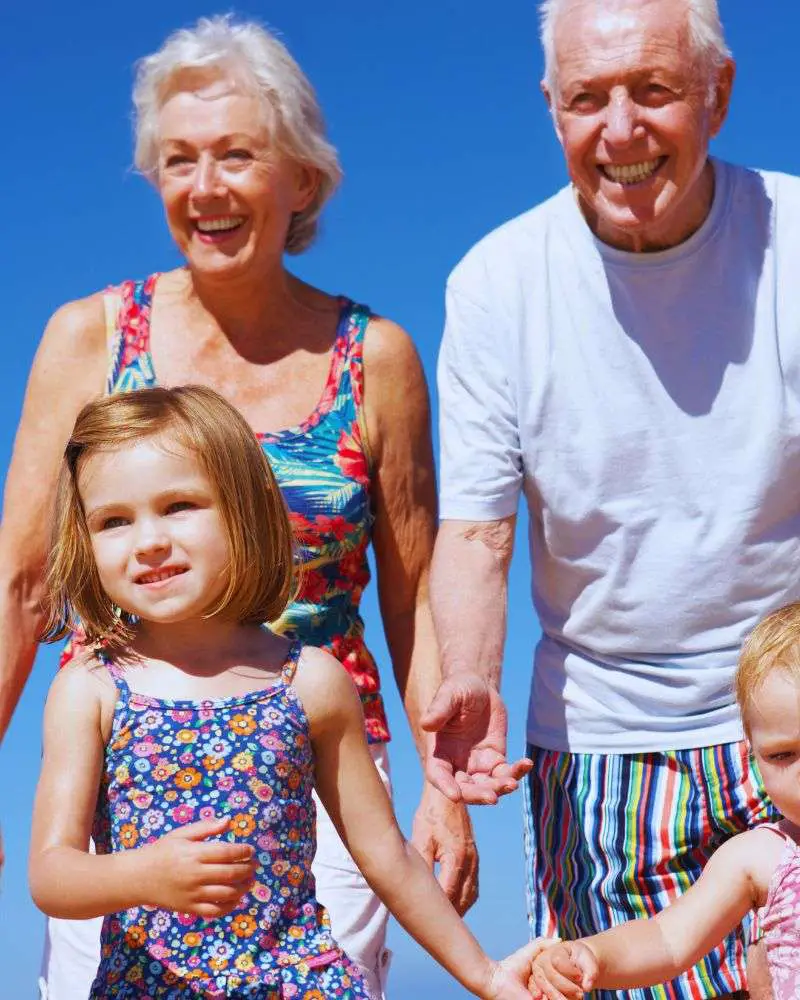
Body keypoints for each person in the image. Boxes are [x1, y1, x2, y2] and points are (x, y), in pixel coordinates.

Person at [0, 15, 476, 999]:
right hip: (130, 756)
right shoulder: (89, 336)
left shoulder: (372, 355)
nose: (203, 187)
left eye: (235, 155)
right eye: (177, 160)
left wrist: (446, 784)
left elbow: (415, 593)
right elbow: (22, 580)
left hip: (320, 751)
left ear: (301, 178)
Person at [423, 0, 800, 997]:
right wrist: (467, 675)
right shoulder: (496, 285)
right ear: (551, 108)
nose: (620, 130)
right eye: (587, 97)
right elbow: (473, 533)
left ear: (717, 94)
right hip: (599, 745)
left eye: (654, 90)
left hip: (791, 723)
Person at [28, 385, 544, 1000]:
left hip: (300, 984)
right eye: (113, 520)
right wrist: (142, 875)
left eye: (179, 505)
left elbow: (386, 856)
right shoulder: (90, 688)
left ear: (244, 511)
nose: (148, 541)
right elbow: (52, 873)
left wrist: (485, 975)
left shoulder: (310, 681)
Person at [529, 602, 800, 1000]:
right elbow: (667, 939)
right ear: (751, 752)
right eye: (781, 755)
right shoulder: (764, 855)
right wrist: (595, 953)